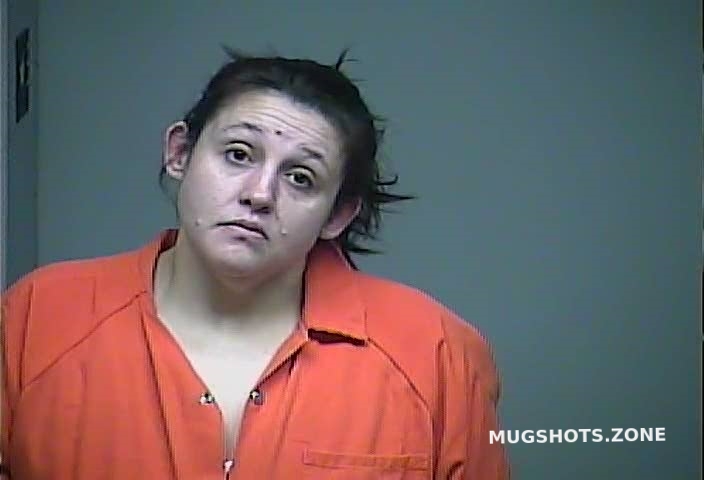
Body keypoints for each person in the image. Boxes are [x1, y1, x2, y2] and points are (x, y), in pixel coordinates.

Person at [0, 48, 509, 479]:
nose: (260, 194)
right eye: (239, 154)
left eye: (300, 178)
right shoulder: (37, 316)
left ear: (337, 215)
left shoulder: (436, 353)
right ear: (180, 153)